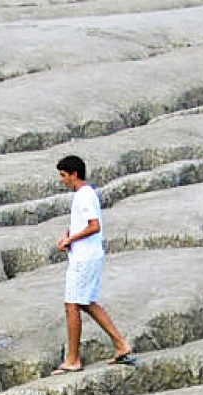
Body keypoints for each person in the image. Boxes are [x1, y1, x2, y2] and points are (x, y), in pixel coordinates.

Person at [52, 155, 134, 374]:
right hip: (85, 255)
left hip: (85, 257)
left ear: (74, 174)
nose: (62, 180)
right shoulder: (82, 195)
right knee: (86, 302)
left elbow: (94, 225)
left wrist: (71, 240)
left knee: (72, 305)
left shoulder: (85, 195)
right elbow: (82, 224)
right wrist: (67, 235)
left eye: (63, 175)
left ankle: (73, 359)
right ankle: (120, 344)